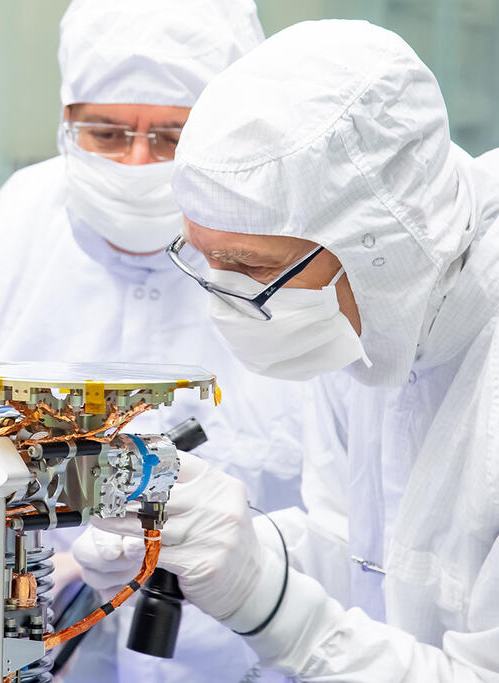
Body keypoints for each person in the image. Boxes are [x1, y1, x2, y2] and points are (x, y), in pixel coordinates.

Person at [0, 1, 307, 680]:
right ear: (66, 123)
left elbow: (342, 512)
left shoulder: (280, 257)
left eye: (172, 137)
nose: (138, 162)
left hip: (238, 658)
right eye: (109, 133)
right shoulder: (14, 233)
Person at [100, 18, 499, 681]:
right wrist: (234, 546)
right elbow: (361, 552)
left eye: (251, 267)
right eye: (204, 259)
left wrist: (269, 604)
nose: (224, 301)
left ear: (381, 247)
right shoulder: (375, 316)